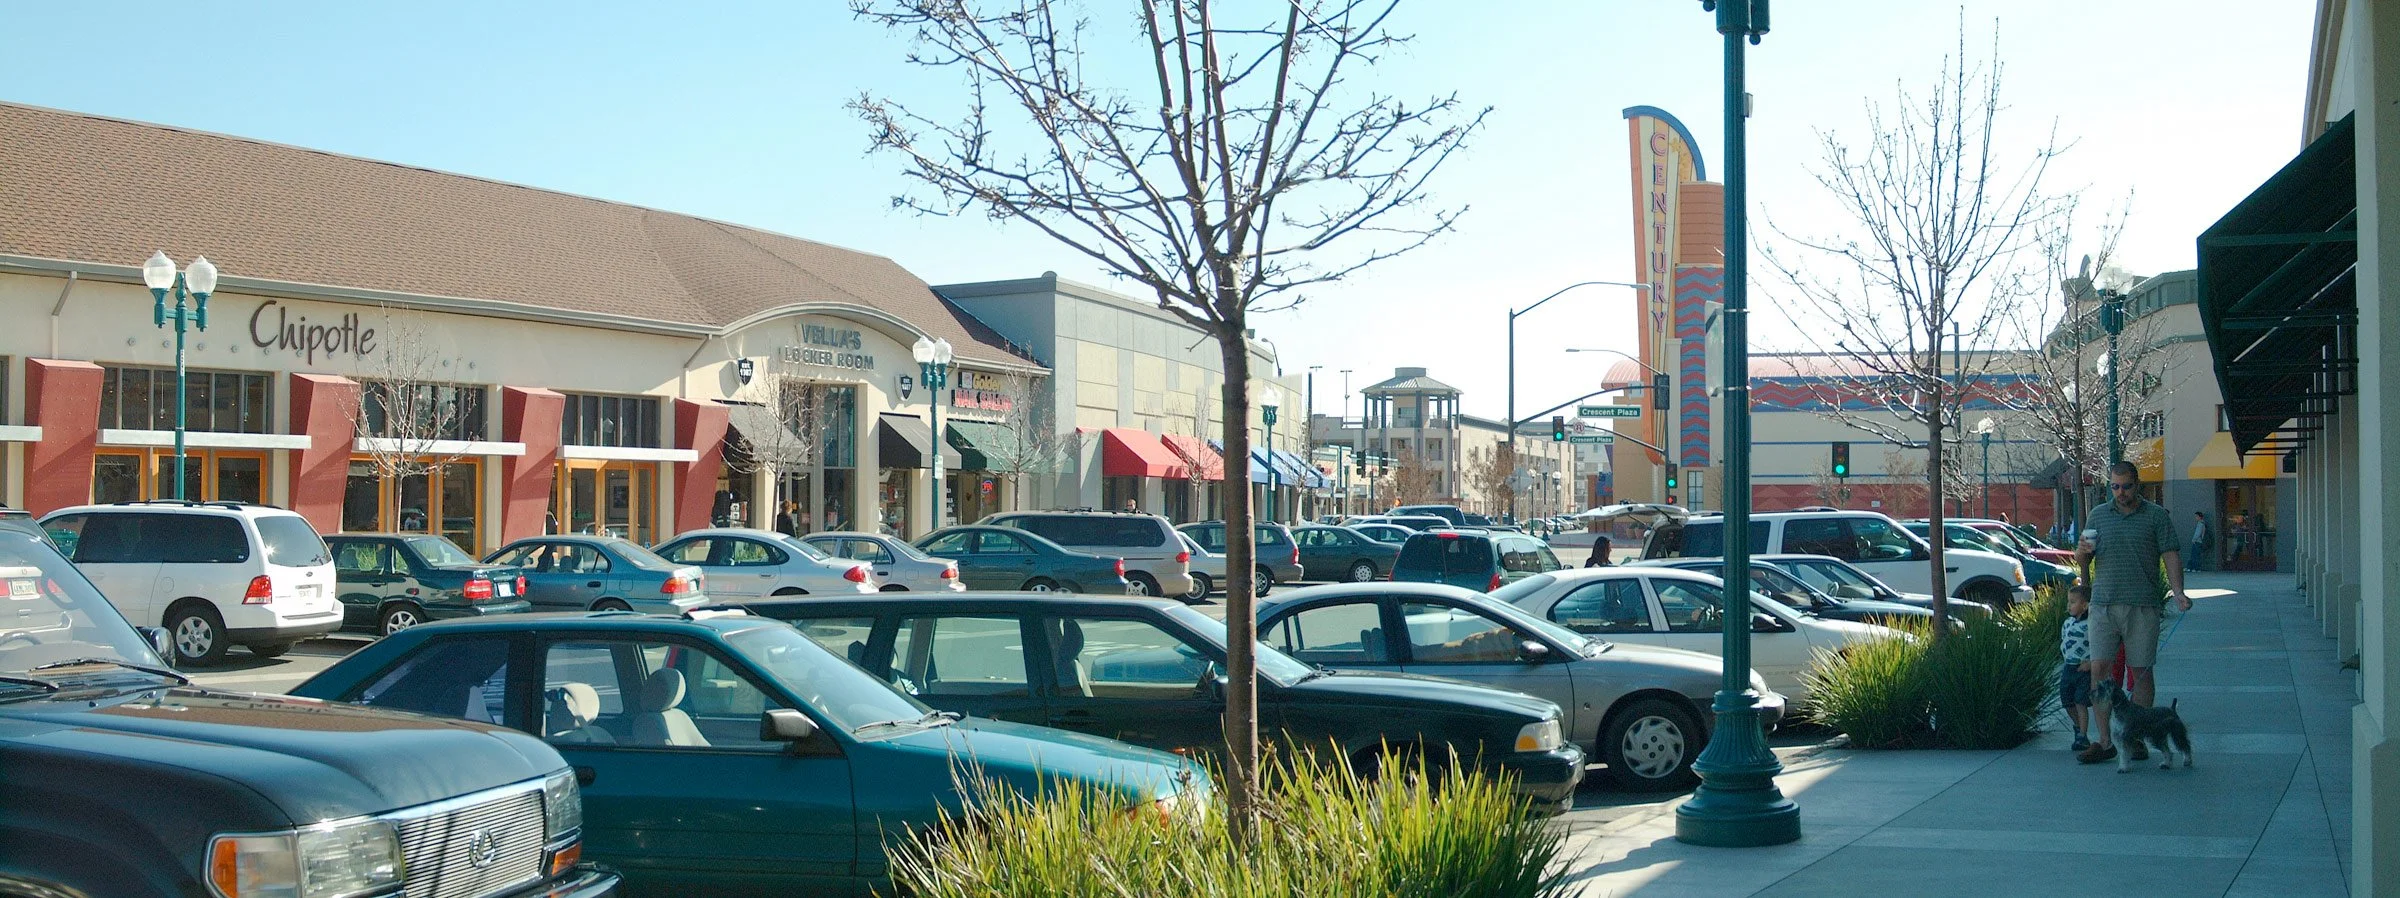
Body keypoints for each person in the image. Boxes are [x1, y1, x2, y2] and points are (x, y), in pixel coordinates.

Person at [2075, 461, 2191, 766]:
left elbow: (2171, 554)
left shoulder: (2155, 516)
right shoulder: (2099, 515)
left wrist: (2178, 592)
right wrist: (2081, 556)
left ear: (2136, 484)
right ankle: (2105, 742)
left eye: (2126, 486)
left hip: (2143, 605)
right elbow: (2084, 557)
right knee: (2099, 669)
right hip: (2103, 604)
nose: (2120, 492)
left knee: (2141, 673)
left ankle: (2135, 738)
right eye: (2114, 486)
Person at [2060, 584, 2094, 752]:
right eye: (2069, 601)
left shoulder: (2091, 624)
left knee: (2080, 701)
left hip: (2083, 668)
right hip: (2069, 666)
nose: (2069, 605)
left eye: (2073, 602)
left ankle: (2083, 735)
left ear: (2085, 605)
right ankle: (2077, 726)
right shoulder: (2067, 623)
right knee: (2067, 700)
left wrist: (2090, 663)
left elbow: (2098, 646)